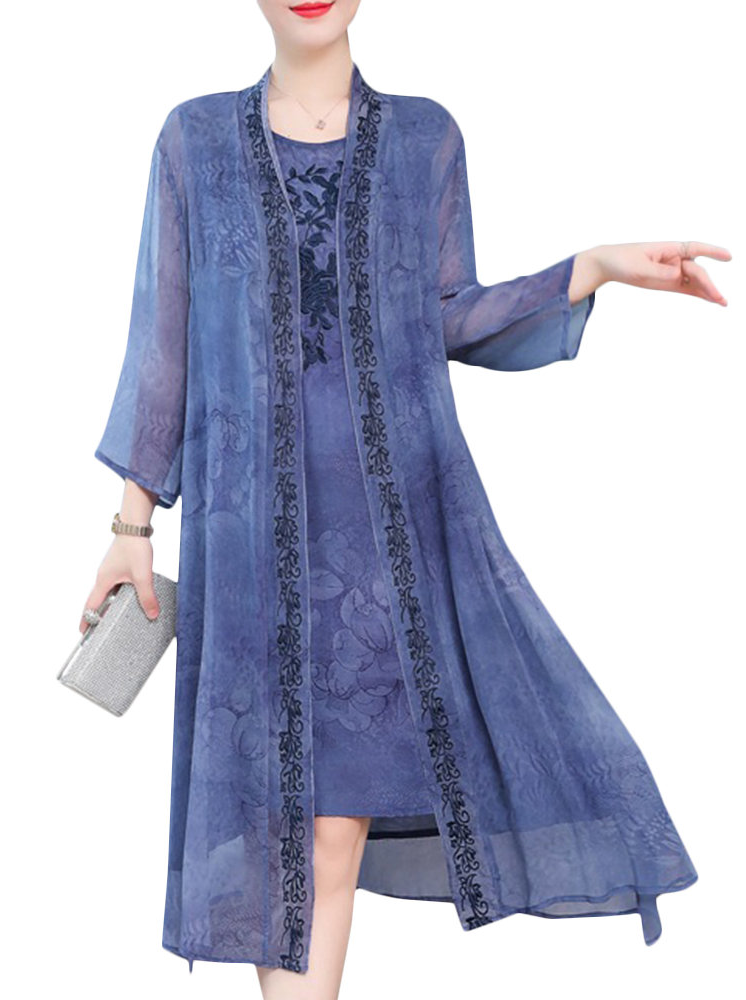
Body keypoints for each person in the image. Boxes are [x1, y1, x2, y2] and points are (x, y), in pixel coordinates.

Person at [81, 2, 730, 999]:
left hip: (381, 549)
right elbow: (163, 338)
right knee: (281, 830)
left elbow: (446, 315)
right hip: (250, 543)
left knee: (330, 829)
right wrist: (132, 525)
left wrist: (590, 268)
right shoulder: (194, 141)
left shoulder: (425, 137)